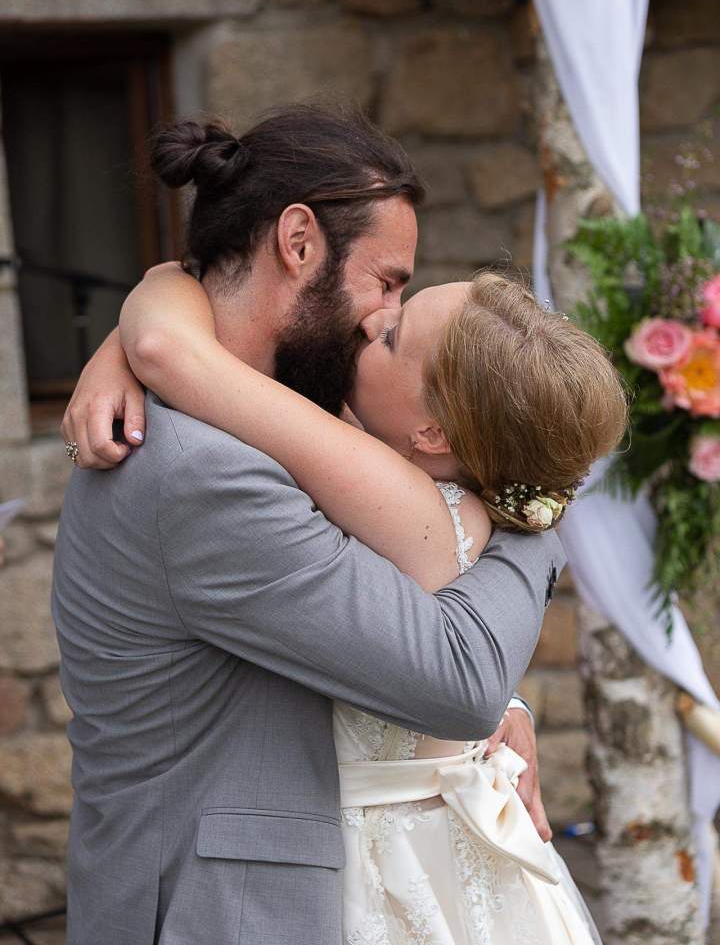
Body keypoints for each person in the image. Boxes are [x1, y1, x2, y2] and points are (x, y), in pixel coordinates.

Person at [57, 105, 564, 945]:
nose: (380, 318)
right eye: (389, 281)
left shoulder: (290, 420)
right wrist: (532, 509)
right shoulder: (202, 473)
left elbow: (382, 620)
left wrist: (151, 309)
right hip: (219, 916)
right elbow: (456, 677)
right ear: (298, 244)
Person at [107, 257, 625, 944]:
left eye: (392, 338)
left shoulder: (387, 495)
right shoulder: (469, 504)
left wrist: (125, 342)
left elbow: (176, 354)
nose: (373, 317)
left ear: (433, 434)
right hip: (471, 863)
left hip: (379, 867)